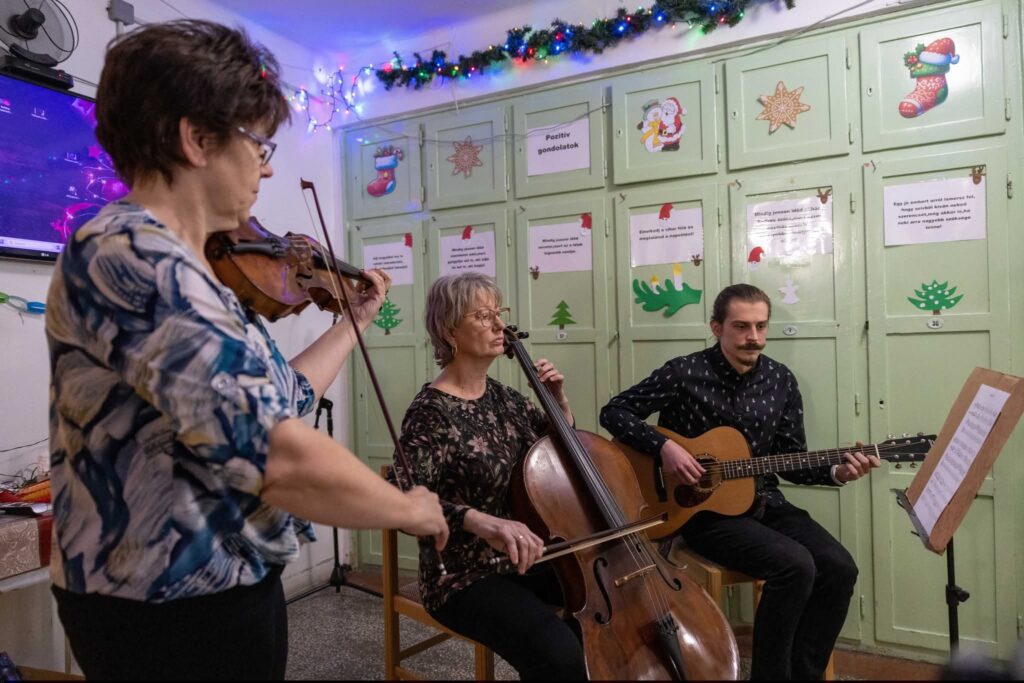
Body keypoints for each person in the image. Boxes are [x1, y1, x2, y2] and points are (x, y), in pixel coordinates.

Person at [44, 20, 447, 681]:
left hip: (225, 580)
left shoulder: (192, 271)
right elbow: (275, 451)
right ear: (197, 139)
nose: (267, 165)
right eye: (258, 143)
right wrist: (406, 507)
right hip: (165, 604)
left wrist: (354, 321)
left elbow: (284, 398)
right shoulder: (131, 255)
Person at [600, 283, 880, 680]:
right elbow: (615, 412)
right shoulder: (683, 373)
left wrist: (838, 471)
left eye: (761, 326)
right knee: (795, 566)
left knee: (839, 567)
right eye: (742, 326)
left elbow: (792, 459)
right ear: (716, 327)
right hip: (701, 512)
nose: (754, 337)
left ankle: (805, 674)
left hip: (765, 502)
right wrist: (665, 448)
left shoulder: (781, 380)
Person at [393, 272, 587, 681]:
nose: (500, 325)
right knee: (561, 656)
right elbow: (402, 501)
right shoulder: (431, 412)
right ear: (450, 331)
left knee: (604, 602)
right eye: (483, 316)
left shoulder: (503, 397)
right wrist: (478, 520)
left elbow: (560, 452)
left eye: (499, 313)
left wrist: (559, 404)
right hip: (463, 574)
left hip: (526, 555)